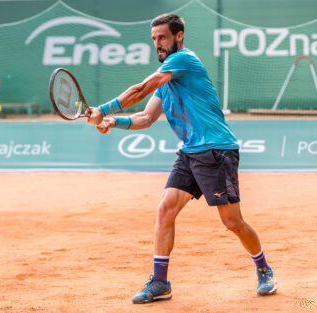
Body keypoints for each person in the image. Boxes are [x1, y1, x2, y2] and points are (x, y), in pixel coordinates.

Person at [85, 13, 277, 304]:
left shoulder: (183, 60)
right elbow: (146, 117)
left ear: (179, 36)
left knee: (232, 222)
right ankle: (160, 283)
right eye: (154, 39)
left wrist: (103, 108)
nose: (158, 44)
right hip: (189, 152)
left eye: (162, 37)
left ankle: (264, 269)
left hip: (216, 151)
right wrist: (113, 122)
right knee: (165, 210)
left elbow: (140, 89)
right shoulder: (167, 78)